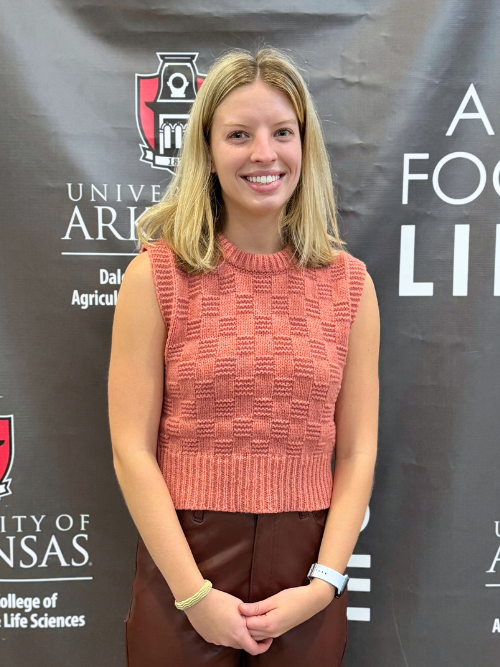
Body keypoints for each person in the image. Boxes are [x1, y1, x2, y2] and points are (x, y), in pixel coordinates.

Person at [108, 45, 379, 667]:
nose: (264, 153)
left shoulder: (350, 286)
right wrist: (194, 595)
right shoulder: (156, 278)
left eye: (283, 132)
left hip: (307, 570)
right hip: (187, 568)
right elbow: (132, 448)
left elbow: (359, 449)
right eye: (239, 134)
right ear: (206, 149)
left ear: (304, 147)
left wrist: (322, 586)